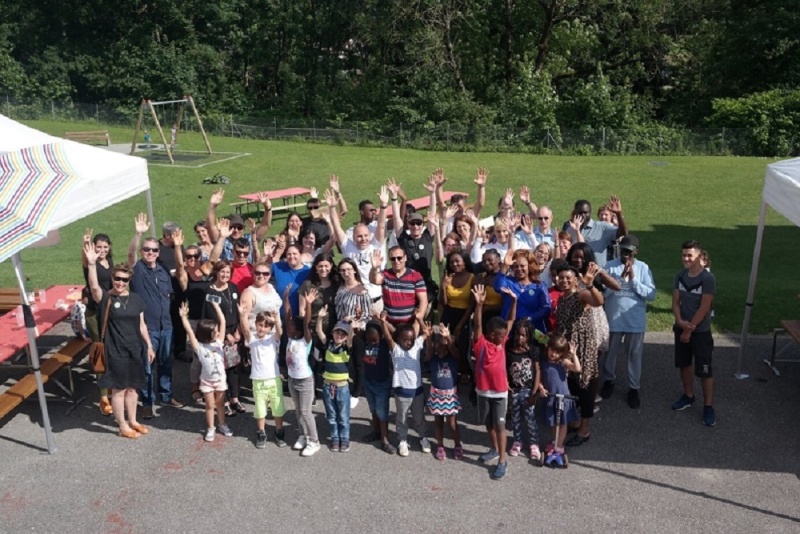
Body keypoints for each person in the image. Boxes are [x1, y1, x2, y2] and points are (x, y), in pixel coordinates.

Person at [85, 244, 154, 439]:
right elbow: (94, 287)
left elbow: (142, 325)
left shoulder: (136, 299)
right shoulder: (106, 298)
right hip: (115, 351)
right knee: (119, 389)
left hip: (135, 349)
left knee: (133, 388)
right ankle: (122, 425)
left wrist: (149, 345)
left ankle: (133, 421)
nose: (120, 283)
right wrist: (92, 264)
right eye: (117, 278)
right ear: (112, 278)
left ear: (129, 281)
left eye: (124, 279)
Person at [127, 214, 182, 419]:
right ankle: (147, 401)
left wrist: (178, 247)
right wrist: (138, 234)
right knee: (147, 366)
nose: (150, 253)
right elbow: (130, 254)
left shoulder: (163, 270)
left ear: (159, 252)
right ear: (143, 251)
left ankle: (166, 396)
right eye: (147, 250)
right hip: (147, 327)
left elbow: (180, 269)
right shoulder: (138, 270)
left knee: (166, 362)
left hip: (166, 325)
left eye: (154, 250)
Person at [599, 235, 657, 409]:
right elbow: (603, 294)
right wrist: (618, 281)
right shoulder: (610, 266)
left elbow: (651, 295)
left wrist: (633, 280)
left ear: (636, 252)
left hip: (635, 321)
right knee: (610, 354)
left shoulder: (643, 268)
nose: (626, 255)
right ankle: (608, 380)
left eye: (629, 252)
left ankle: (633, 388)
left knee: (634, 355)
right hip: (614, 319)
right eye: (623, 251)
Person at [553, 264, 605, 447]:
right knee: (572, 386)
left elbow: (598, 301)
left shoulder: (581, 294)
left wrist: (590, 285)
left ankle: (584, 430)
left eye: (568, 278)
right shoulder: (562, 297)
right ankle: (575, 422)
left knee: (585, 387)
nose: (564, 281)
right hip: (567, 348)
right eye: (561, 278)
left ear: (576, 280)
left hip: (583, 348)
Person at [471, 284, 517, 480]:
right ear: (491, 335)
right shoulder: (481, 344)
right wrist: (479, 305)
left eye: (505, 335)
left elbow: (511, 320)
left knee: (500, 426)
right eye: (502, 335)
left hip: (500, 393)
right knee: (488, 424)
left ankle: (502, 460)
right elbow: (478, 326)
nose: (506, 337)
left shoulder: (502, 342)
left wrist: (514, 301)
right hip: (483, 392)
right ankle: (495, 449)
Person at [671, 240, 717, 427]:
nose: (686, 258)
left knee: (704, 370)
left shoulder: (708, 279)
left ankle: (708, 406)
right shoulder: (680, 276)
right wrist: (680, 322)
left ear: (699, 256)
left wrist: (689, 329)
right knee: (684, 364)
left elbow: (704, 307)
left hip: (700, 332)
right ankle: (688, 396)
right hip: (682, 327)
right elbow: (675, 302)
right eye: (684, 255)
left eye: (689, 255)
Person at [327, 187, 388, 311]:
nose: (363, 239)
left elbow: (381, 226)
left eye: (366, 235)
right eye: (359, 236)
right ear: (353, 237)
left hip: (375, 298)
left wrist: (383, 205)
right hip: (354, 299)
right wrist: (332, 208)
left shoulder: (375, 244)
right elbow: (337, 227)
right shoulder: (348, 247)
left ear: (370, 235)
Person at [179, 301, 231, 442]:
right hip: (207, 382)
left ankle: (222, 424)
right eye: (215, 331)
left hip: (220, 381)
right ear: (207, 333)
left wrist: (217, 308)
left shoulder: (219, 343)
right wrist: (183, 317)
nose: (219, 333)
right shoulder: (199, 348)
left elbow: (223, 322)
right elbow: (190, 331)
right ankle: (211, 428)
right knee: (209, 406)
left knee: (220, 404)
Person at [381, 313, 431, 458]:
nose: (408, 342)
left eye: (411, 339)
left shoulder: (417, 346)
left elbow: (426, 334)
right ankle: (402, 440)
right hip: (402, 393)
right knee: (401, 418)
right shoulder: (395, 350)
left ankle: (423, 437)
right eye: (405, 340)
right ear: (399, 340)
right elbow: (388, 337)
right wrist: (383, 322)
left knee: (419, 417)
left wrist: (420, 320)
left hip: (417, 392)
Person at [240, 306, 286, 448]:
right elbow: (245, 330)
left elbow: (280, 332)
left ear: (270, 328)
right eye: (260, 325)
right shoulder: (252, 339)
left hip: (274, 379)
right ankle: (261, 432)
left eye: (266, 326)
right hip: (258, 381)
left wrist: (276, 321)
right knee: (260, 409)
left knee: (277, 407)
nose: (262, 328)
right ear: (256, 324)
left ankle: (279, 431)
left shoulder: (272, 339)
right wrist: (242, 315)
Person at [204, 261, 244, 416]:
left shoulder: (232, 287)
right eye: (222, 272)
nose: (225, 275)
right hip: (219, 335)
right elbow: (212, 317)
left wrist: (238, 331)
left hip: (234, 333)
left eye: (227, 272)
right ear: (216, 272)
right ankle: (224, 401)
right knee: (221, 370)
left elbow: (238, 311)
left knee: (234, 368)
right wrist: (226, 334)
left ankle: (234, 398)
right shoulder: (210, 292)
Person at [284, 286, 320, 457]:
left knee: (306, 412)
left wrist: (308, 304)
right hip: (292, 379)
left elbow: (306, 322)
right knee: (298, 411)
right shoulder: (290, 338)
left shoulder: (305, 340)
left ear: (298, 329)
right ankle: (303, 435)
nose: (288, 327)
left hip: (305, 380)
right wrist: (285, 298)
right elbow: (287, 315)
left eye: (291, 326)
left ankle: (314, 441)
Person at [81, 230, 114, 415]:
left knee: (111, 349)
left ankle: (110, 386)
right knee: (100, 351)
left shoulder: (109, 262)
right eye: (98, 247)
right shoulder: (91, 262)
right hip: (95, 312)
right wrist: (85, 244)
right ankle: (103, 396)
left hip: (109, 311)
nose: (102, 250)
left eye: (105, 247)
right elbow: (86, 260)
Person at [537, 334, 581, 463]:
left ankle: (559, 447)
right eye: (552, 350)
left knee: (562, 423)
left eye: (558, 352)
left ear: (562, 353)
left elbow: (577, 368)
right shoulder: (543, 362)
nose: (554, 354)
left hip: (563, 397)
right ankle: (556, 441)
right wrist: (541, 388)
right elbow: (540, 379)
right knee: (553, 422)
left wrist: (573, 355)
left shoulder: (562, 362)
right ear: (548, 347)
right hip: (551, 398)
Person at [317, 308, 355, 452]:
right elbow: (319, 332)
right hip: (328, 386)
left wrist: (351, 327)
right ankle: (335, 438)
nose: (339, 335)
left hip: (342, 387)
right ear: (332, 333)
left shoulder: (346, 348)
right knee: (331, 415)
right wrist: (320, 318)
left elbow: (350, 339)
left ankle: (344, 439)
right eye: (337, 332)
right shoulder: (328, 344)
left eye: (343, 334)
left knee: (343, 416)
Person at [424, 323, 463, 461]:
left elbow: (454, 351)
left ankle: (457, 444)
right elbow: (429, 349)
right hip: (436, 396)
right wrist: (429, 338)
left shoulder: (453, 359)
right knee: (438, 422)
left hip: (450, 396)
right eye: (439, 346)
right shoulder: (433, 358)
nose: (442, 349)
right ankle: (440, 445)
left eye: (445, 346)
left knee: (452, 423)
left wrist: (448, 338)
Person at [506, 319, 542, 461]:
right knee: (515, 417)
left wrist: (534, 393)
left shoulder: (533, 351)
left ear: (529, 336)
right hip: (514, 389)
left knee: (530, 417)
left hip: (528, 390)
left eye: (523, 335)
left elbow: (537, 371)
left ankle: (534, 443)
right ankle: (517, 441)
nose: (520, 338)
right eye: (518, 334)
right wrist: (505, 382)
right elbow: (505, 367)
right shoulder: (509, 349)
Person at [438, 250, 474, 389]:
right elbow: (443, 303)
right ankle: (448, 369)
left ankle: (464, 371)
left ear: (464, 262)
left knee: (463, 345)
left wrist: (460, 325)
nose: (454, 264)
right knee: (445, 343)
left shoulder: (472, 277)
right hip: (449, 313)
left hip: (464, 314)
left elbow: (471, 305)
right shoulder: (448, 277)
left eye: (457, 261)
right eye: (452, 262)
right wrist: (443, 287)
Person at [205, 188, 272, 263]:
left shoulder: (250, 239)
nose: (236, 230)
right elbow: (210, 226)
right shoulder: (222, 240)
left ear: (244, 228)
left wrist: (268, 208)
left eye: (239, 227)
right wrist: (212, 206)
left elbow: (265, 225)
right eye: (232, 227)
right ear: (228, 227)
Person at [360, 320, 396, 454]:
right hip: (368, 381)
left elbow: (394, 333)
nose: (372, 343)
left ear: (381, 336)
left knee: (382, 412)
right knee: (373, 409)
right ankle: (376, 431)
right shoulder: (365, 342)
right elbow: (356, 333)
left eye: (375, 340)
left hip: (382, 384)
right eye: (370, 340)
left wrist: (383, 322)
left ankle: (384, 440)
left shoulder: (385, 344)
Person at [369, 247, 427, 330]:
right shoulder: (385, 274)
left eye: (399, 258)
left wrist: (417, 321)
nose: (396, 261)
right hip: (389, 324)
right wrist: (374, 268)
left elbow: (423, 301)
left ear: (405, 258)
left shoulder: (416, 276)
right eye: (393, 259)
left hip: (409, 325)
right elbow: (373, 280)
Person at [495, 250, 551, 335]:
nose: (519, 269)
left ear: (529, 266)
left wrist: (531, 318)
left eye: (522, 266)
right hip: (509, 330)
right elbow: (497, 287)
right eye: (516, 266)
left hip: (531, 330)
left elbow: (546, 308)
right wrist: (505, 266)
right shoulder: (508, 282)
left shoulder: (539, 285)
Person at [563, 197, 628, 268]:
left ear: (590, 212)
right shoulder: (570, 230)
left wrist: (618, 214)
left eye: (585, 212)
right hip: (576, 271)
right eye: (580, 213)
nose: (583, 215)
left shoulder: (602, 227)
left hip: (597, 272)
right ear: (575, 212)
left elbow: (623, 233)